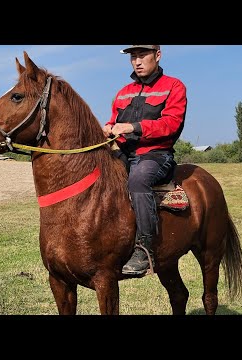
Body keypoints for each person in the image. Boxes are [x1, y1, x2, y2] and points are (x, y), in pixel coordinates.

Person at [102, 45, 188, 275]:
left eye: (142, 56)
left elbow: (171, 124)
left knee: (138, 181)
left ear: (157, 55)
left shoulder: (174, 86)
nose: (137, 61)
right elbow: (113, 120)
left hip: (156, 155)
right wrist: (108, 128)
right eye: (133, 57)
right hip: (123, 153)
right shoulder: (123, 92)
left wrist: (133, 127)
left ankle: (144, 248)